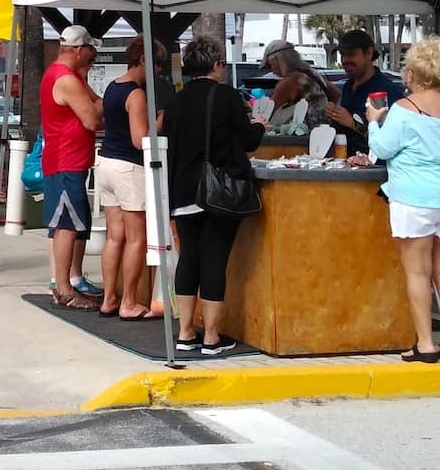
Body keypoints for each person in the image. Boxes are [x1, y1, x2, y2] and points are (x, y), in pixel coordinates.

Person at [367, 36, 440, 363]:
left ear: (413, 74)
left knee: (417, 271)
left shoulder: (404, 108)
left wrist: (373, 122)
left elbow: (383, 150)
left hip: (415, 195)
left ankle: (425, 344)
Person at [165, 37, 268, 356]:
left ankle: (184, 332)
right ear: (216, 65)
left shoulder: (176, 101)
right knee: (214, 259)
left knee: (189, 259)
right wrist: (260, 125)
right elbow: (248, 141)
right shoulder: (225, 96)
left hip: (182, 190)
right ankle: (211, 337)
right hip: (216, 192)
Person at [96, 36, 167, 319]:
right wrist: (161, 121)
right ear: (144, 60)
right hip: (128, 167)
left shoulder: (112, 87)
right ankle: (128, 302)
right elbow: (140, 140)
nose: (158, 71)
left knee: (115, 237)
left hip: (106, 163)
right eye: (157, 64)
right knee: (136, 239)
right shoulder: (136, 94)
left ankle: (109, 298)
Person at [40, 25, 104, 310]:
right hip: (65, 160)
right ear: (78, 50)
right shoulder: (66, 80)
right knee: (67, 224)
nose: (93, 56)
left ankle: (67, 282)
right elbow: (92, 119)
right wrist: (109, 101)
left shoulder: (65, 76)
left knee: (74, 223)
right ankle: (64, 287)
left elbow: (91, 107)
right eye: (90, 51)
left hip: (67, 160)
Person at [324, 29, 407, 154]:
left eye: (351, 54)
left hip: (374, 169)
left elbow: (389, 140)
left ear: (368, 53)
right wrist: (334, 114)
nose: (344, 60)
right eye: (342, 54)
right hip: (344, 163)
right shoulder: (348, 86)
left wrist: (353, 123)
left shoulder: (384, 91)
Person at [261, 39, 338, 128]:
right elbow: (335, 94)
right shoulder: (311, 73)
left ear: (277, 60)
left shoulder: (289, 82)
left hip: (304, 135)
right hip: (326, 131)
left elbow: (268, 113)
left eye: (269, 65)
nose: (272, 71)